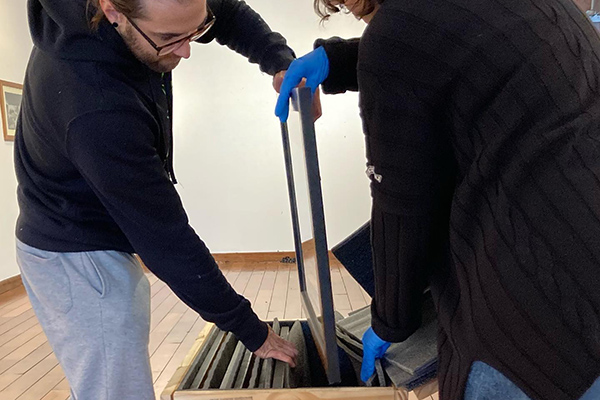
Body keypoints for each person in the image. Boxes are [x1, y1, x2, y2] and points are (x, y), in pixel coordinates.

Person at [276, 0, 600, 399]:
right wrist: (341, 58)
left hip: (536, 311)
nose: (349, 9)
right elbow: (459, 43)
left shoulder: (399, 28)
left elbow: (401, 205)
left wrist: (389, 322)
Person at [15, 0, 300, 398]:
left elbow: (229, 13)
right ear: (112, 11)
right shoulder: (96, 106)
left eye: (195, 32)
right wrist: (251, 330)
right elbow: (167, 242)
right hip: (72, 249)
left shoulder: (162, 6)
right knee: (116, 390)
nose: (186, 51)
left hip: (105, 224)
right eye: (169, 38)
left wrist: (279, 60)